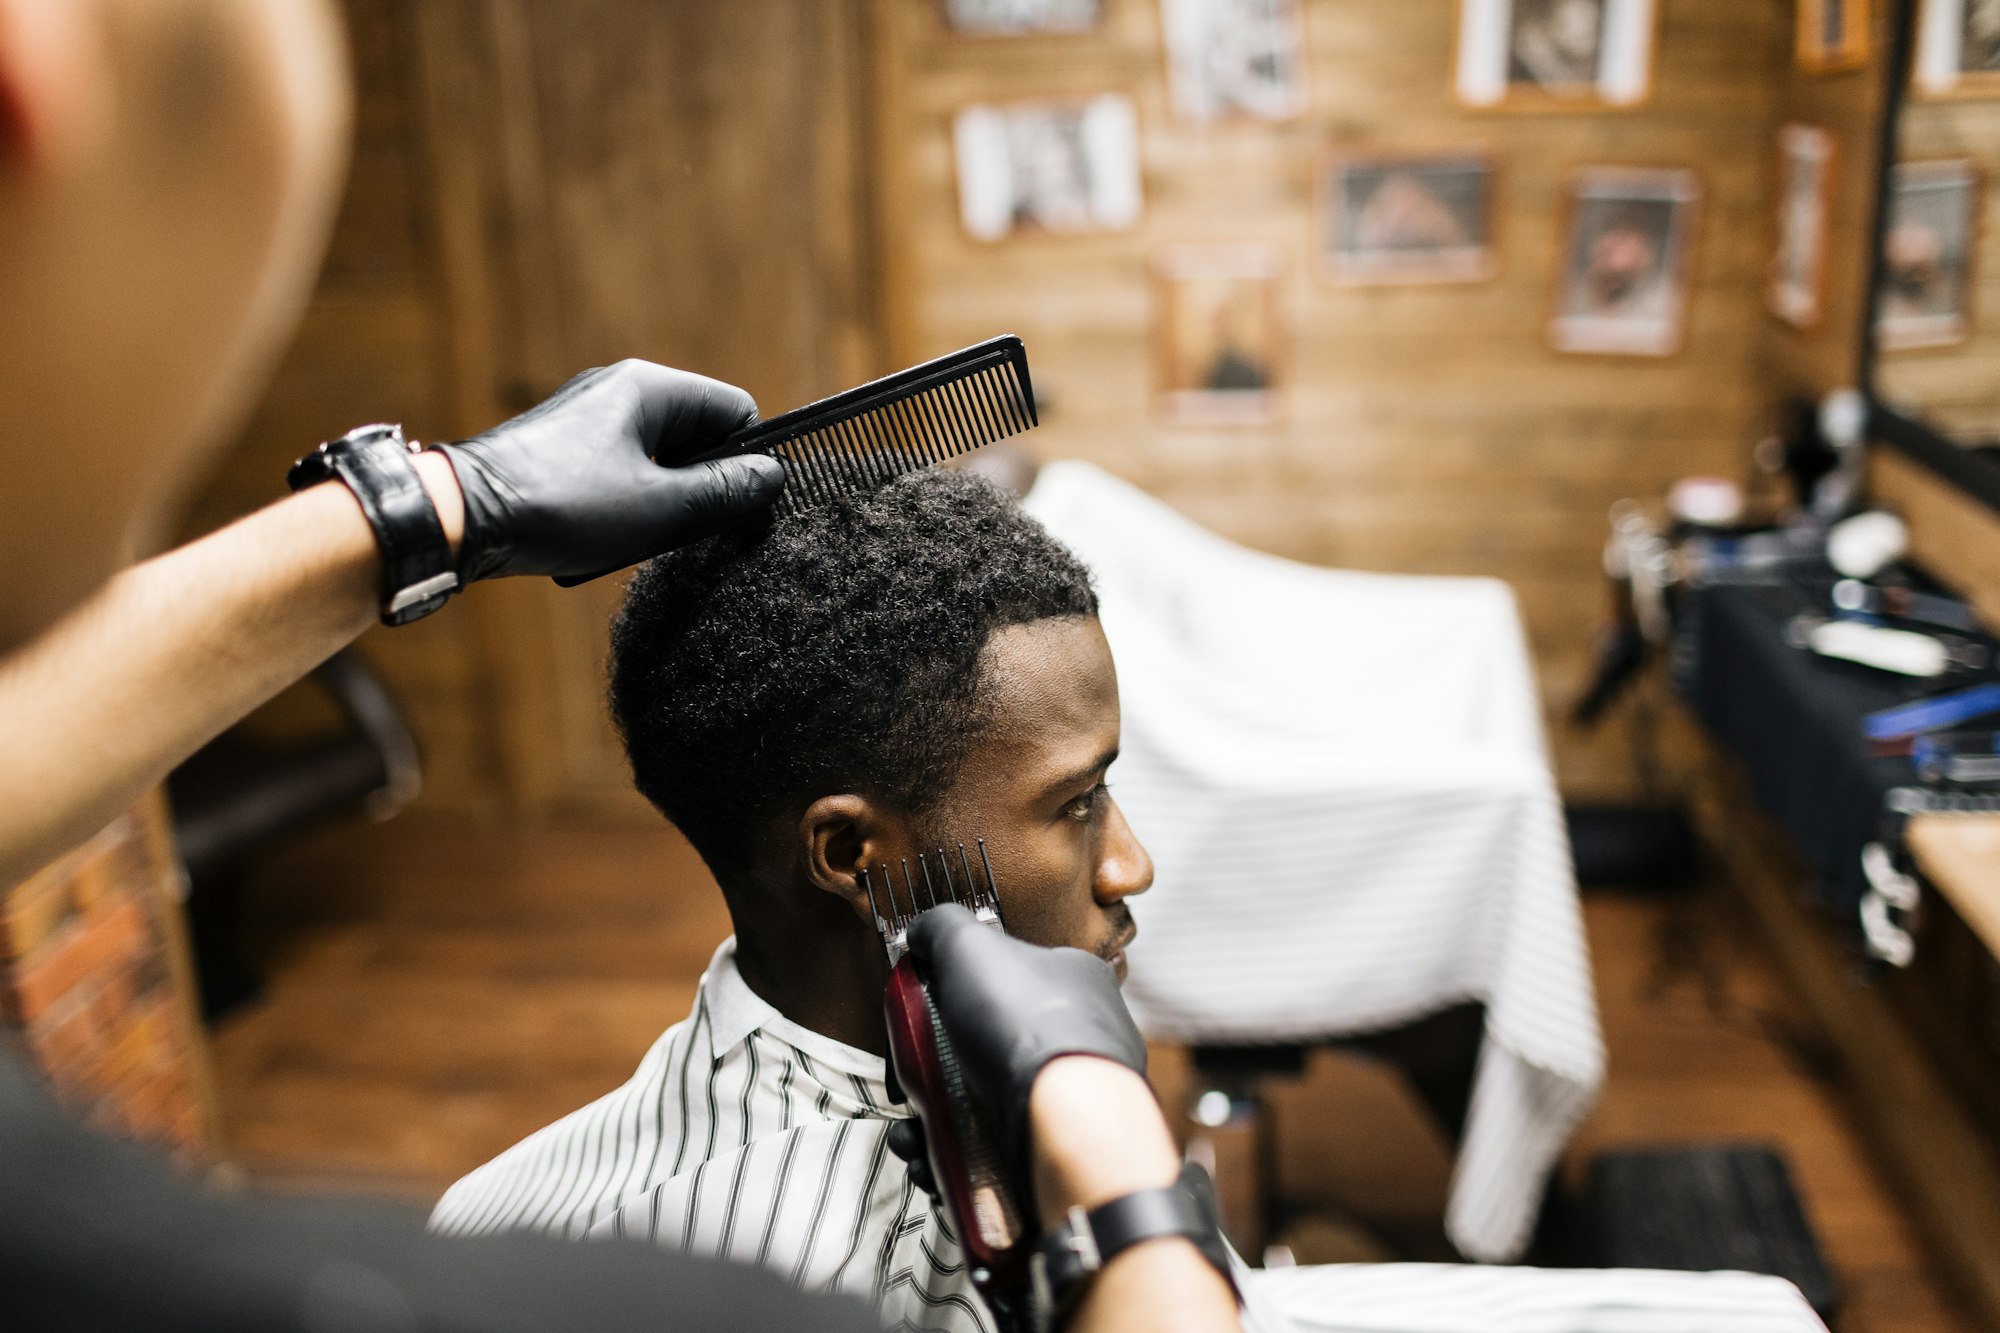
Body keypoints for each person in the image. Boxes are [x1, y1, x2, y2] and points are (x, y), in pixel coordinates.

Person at [0, 2, 1239, 1329]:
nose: (1130, 862)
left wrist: (439, 504)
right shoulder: (739, 1296)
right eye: (1076, 799)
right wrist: (1125, 1177)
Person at [432, 470, 1830, 1333]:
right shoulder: (803, 1275)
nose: (1130, 863)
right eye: (1077, 801)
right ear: (853, 857)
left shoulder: (871, 1058)